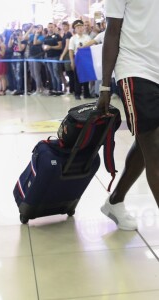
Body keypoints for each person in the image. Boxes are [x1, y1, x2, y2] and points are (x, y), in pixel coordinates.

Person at [97, 0, 159, 230]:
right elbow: (112, 32)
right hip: (135, 68)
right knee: (154, 146)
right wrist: (105, 87)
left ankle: (115, 201)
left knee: (147, 143)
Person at [69, 19, 91, 100]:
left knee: (86, 76)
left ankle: (86, 93)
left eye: (81, 27)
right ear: (75, 29)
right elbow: (71, 50)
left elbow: (90, 48)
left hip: (86, 58)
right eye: (78, 27)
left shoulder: (88, 38)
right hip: (77, 59)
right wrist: (72, 61)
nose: (80, 29)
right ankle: (77, 94)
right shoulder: (73, 38)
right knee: (77, 77)